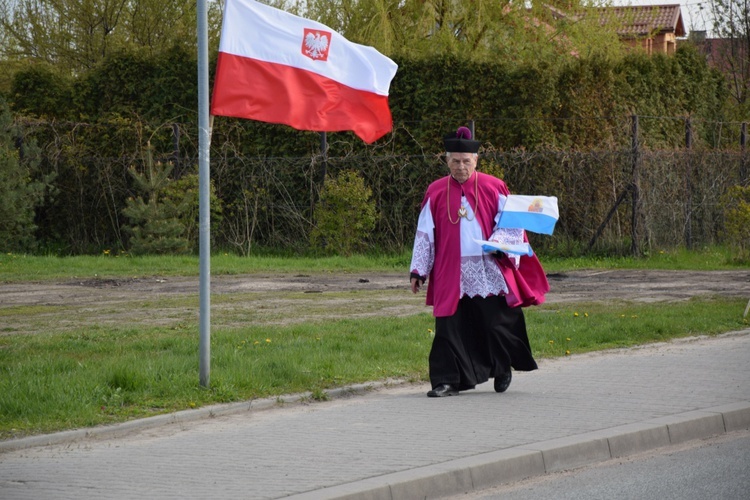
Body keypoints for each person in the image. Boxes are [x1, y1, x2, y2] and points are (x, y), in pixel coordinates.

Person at [409, 126, 549, 397]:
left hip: (487, 267)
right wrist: (419, 270)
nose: (461, 167)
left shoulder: (493, 186)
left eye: (466, 161)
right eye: (455, 161)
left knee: (496, 322)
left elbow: (512, 225)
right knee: (449, 326)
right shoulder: (436, 190)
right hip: (451, 269)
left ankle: (503, 367)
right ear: (447, 161)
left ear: (476, 161)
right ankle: (446, 381)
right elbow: (425, 232)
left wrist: (501, 246)